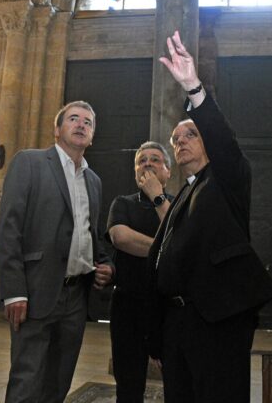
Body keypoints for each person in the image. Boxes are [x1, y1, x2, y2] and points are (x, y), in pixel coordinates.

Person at [147, 31, 272, 403]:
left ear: (207, 139)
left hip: (217, 322)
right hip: (177, 325)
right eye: (175, 140)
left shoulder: (227, 179)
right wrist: (157, 335)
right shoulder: (186, 190)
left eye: (190, 134)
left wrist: (192, 87)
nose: (180, 142)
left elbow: (224, 141)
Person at [0, 101, 115, 403]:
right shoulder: (30, 163)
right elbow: (9, 229)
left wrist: (103, 265)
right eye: (73, 119)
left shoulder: (94, 181)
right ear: (57, 128)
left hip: (76, 297)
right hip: (36, 291)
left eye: (88, 122)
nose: (81, 125)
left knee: (58, 383)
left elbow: (91, 234)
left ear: (92, 135)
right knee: (27, 380)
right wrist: (14, 291)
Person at [106, 141, 173, 402]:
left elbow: (185, 243)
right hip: (128, 305)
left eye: (155, 159)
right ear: (136, 173)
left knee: (177, 381)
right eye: (141, 160)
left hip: (168, 308)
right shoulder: (122, 203)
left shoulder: (178, 203)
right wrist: (168, 250)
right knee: (129, 383)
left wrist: (159, 197)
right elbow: (122, 238)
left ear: (167, 171)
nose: (147, 163)